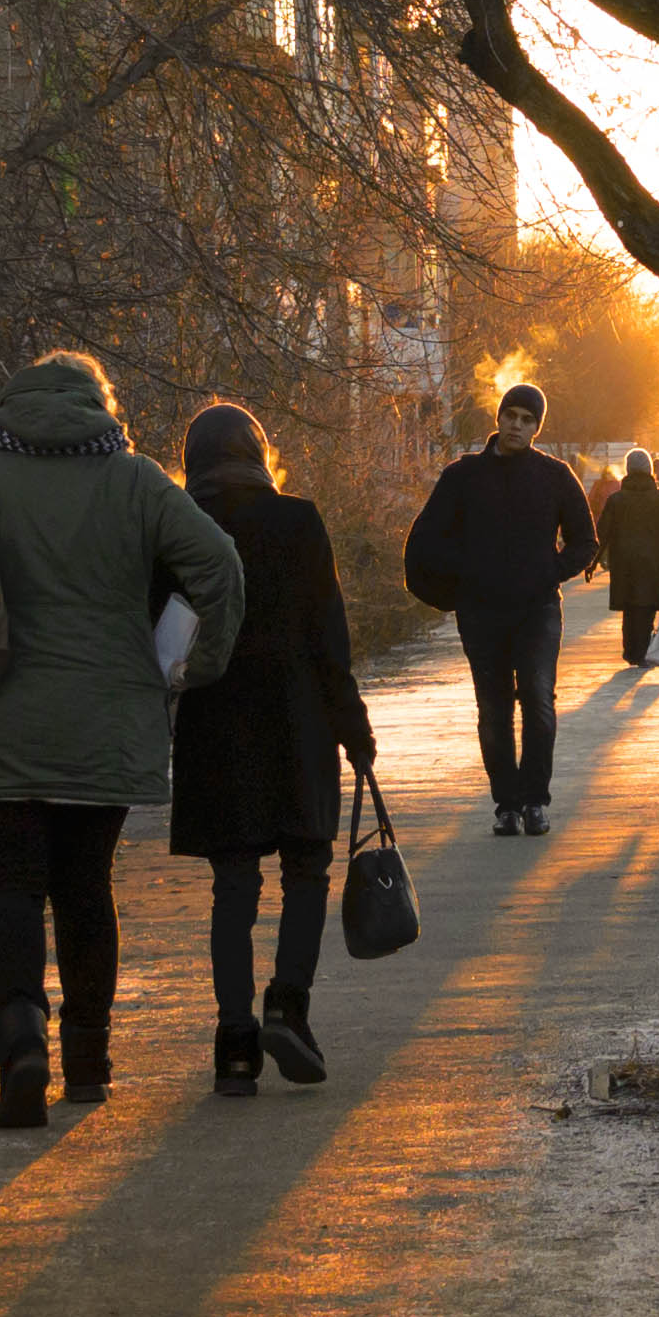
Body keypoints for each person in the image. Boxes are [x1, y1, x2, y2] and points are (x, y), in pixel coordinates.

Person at [0, 350, 244, 1131]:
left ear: (13, 399)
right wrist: (197, 664)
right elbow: (219, 564)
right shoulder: (133, 480)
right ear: (100, 405)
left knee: (8, 886)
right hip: (101, 724)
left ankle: (20, 1037)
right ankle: (89, 1062)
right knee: (83, 886)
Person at [168, 403, 377, 1098]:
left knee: (234, 884)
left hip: (217, 727)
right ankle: (287, 1003)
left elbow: (161, 640)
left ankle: (233, 1041)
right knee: (306, 869)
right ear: (259, 453)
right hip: (299, 720)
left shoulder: (180, 533)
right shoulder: (299, 521)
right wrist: (354, 728)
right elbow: (329, 638)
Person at [405, 381, 597, 836]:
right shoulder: (462, 476)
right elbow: (424, 544)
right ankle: (506, 805)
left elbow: (586, 541)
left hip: (537, 609)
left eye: (527, 419)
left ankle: (535, 801)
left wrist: (550, 571)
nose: (517, 425)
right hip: (482, 612)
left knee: (538, 699)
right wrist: (453, 592)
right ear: (498, 418)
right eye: (511, 415)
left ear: (537, 428)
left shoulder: (555, 476)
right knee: (493, 710)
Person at [595, 447, 659, 665]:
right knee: (647, 606)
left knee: (630, 607)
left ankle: (631, 651)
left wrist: (591, 561)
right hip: (653, 563)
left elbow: (602, 533)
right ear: (650, 469)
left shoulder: (616, 500)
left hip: (624, 563)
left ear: (628, 470)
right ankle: (641, 650)